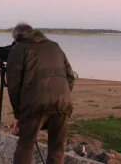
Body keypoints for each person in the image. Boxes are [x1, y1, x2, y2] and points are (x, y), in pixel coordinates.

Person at [5, 22, 75, 164]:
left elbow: (14, 85)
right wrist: (61, 96)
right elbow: (70, 76)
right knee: (57, 148)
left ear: (17, 36)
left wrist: (18, 114)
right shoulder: (54, 46)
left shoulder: (19, 48)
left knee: (25, 145)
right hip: (63, 103)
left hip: (34, 105)